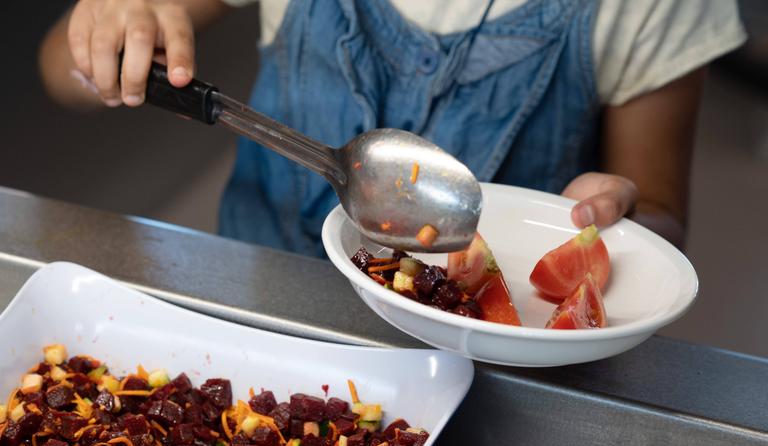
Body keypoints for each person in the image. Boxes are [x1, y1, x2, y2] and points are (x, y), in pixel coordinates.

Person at [39, 0, 746, 257]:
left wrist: (615, 220)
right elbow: (57, 66)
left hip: (482, 365)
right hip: (256, 313)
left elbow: (659, 213)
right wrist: (108, 32)